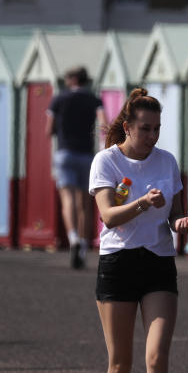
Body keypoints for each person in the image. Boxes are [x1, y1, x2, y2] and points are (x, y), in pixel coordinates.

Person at [89, 88, 188, 373]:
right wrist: (141, 203)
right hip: (117, 263)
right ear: (128, 128)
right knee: (120, 363)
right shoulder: (107, 162)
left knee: (157, 356)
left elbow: (175, 214)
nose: (152, 136)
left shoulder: (166, 162)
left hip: (158, 264)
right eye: (145, 128)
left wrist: (180, 222)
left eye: (158, 128)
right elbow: (108, 217)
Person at [47, 66, 107, 269]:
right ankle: (82, 245)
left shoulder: (59, 99)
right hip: (86, 155)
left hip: (65, 152)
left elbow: (49, 129)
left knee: (67, 198)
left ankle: (72, 237)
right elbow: (104, 124)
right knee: (85, 202)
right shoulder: (94, 100)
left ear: (71, 80)